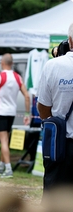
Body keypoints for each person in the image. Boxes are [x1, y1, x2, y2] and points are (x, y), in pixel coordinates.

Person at [37, 22, 73, 195]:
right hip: (62, 145)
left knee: (55, 205)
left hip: (61, 145)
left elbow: (43, 107)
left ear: (70, 41)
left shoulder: (53, 66)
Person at [0, 53, 30, 178]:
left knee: (3, 140)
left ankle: (8, 169)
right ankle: (1, 165)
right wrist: (27, 114)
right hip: (12, 112)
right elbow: (27, 96)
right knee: (5, 139)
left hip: (1, 111)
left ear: (2, 62)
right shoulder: (17, 77)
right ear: (12, 63)